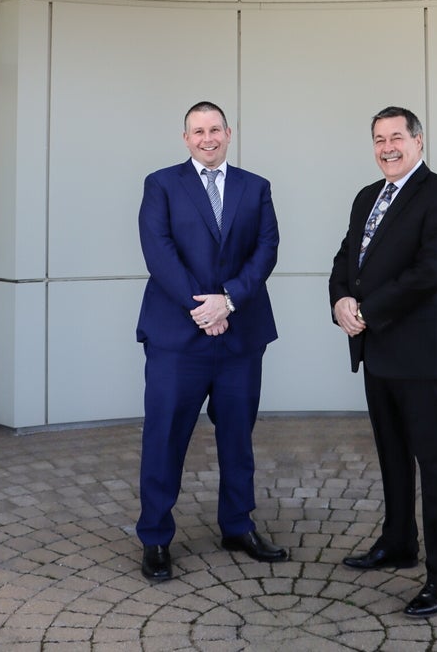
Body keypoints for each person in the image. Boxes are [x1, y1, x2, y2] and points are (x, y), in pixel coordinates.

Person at [135, 100, 288, 581]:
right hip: (178, 337)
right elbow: (158, 253)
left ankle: (238, 526)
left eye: (215, 129)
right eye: (197, 131)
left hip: (240, 336)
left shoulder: (255, 187)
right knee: (164, 439)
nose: (207, 138)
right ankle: (155, 538)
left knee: (238, 438)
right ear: (185, 138)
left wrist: (230, 301)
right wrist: (203, 309)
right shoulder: (161, 185)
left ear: (229, 132)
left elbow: (267, 250)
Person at [329, 105, 437, 619]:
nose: (387, 147)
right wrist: (340, 300)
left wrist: (366, 309)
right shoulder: (368, 196)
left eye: (396, 137)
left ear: (418, 141)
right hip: (376, 349)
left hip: (422, 354)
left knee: (435, 464)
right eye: (378, 139)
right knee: (390, 455)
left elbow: (429, 272)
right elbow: (347, 258)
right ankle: (398, 542)